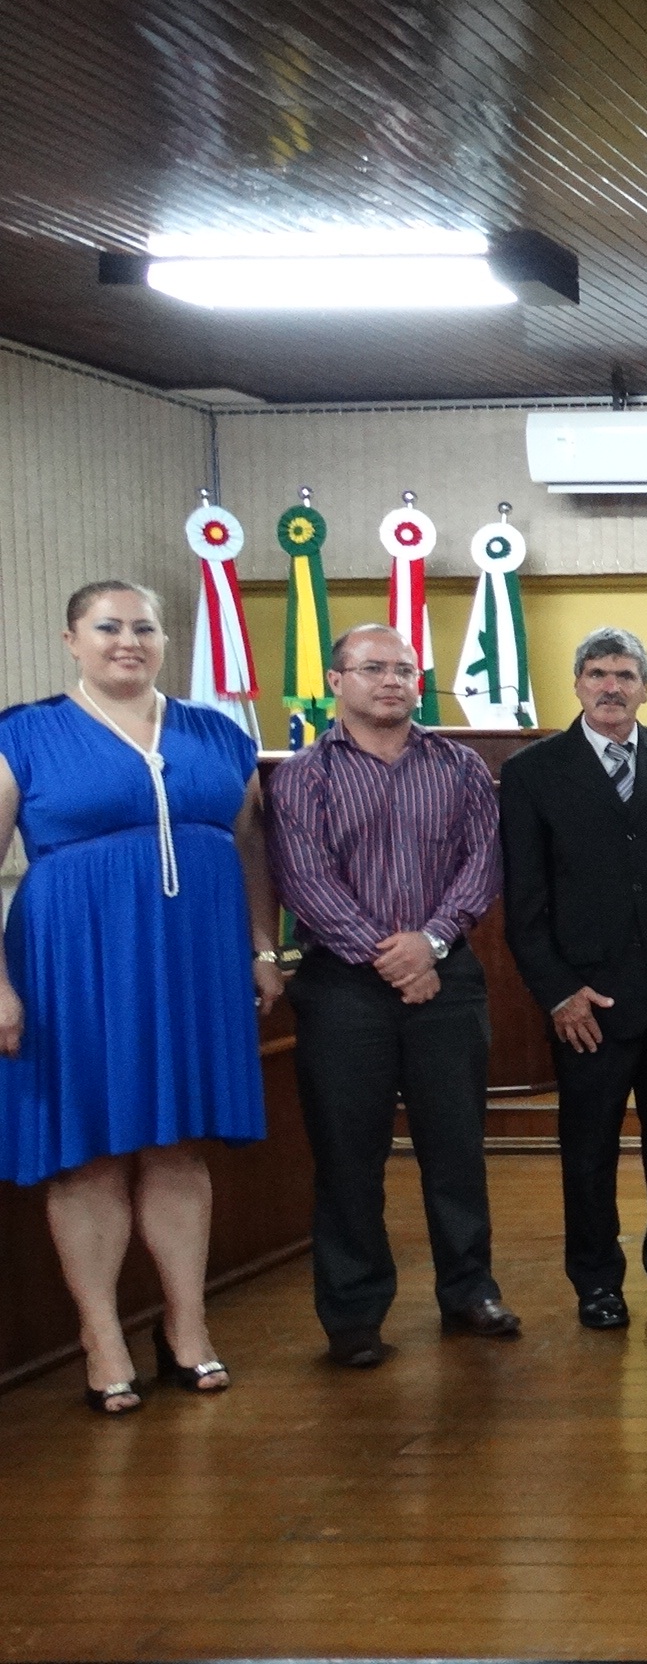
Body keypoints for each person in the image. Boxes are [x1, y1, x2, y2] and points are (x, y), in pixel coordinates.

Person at [0, 581, 279, 1412]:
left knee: (178, 1150)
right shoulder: (26, 732)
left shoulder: (217, 733)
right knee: (89, 1153)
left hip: (193, 963)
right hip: (71, 965)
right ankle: (101, 1335)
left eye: (145, 627)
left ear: (165, 640)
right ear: (71, 639)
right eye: (108, 627)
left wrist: (263, 949)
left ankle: (185, 1328)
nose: (129, 640)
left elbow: (252, 850)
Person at [269, 623, 516, 1366]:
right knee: (349, 1155)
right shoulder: (302, 777)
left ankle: (469, 1290)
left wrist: (431, 944)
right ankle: (353, 1316)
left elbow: (484, 863)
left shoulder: (463, 768)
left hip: (447, 977)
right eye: (373, 668)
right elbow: (305, 883)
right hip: (343, 986)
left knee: (456, 1147)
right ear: (337, 681)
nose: (392, 681)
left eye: (405, 670)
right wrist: (393, 957)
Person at [500, 629, 647, 1329]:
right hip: (587, 1002)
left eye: (625, 675)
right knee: (590, 1148)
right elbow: (524, 899)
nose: (611, 687)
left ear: (645, 687)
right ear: (577, 683)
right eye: (597, 674)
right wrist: (558, 991)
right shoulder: (534, 772)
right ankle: (596, 1282)